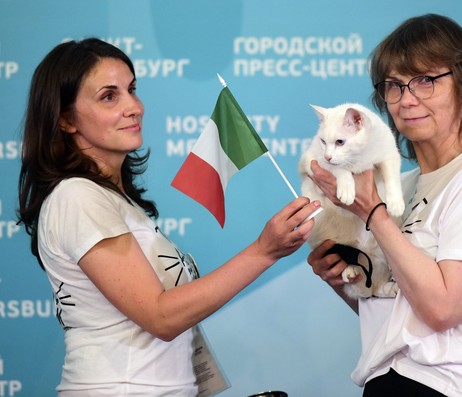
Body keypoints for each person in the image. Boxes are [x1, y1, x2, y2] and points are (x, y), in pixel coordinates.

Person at [17, 38, 319, 396]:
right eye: (109, 96)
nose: (134, 107)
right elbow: (160, 317)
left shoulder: (113, 200)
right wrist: (263, 251)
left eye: (132, 90)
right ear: (66, 119)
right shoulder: (77, 196)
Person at [307, 14, 462, 397]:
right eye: (394, 86)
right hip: (389, 378)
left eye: (425, 80)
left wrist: (372, 213)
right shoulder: (402, 186)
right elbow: (399, 315)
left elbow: (443, 309)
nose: (407, 99)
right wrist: (346, 280)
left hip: (450, 385)